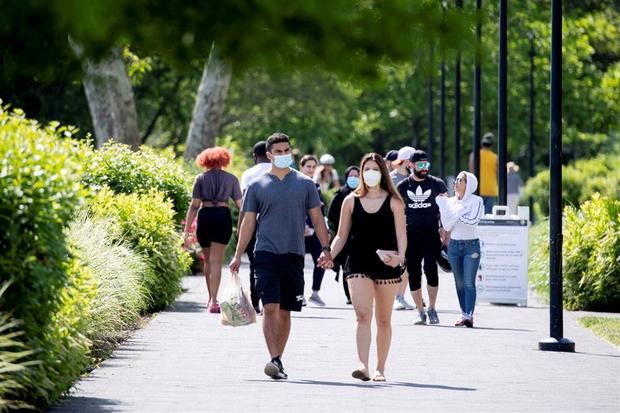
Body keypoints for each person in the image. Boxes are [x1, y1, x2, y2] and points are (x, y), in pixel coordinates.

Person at [229, 133, 332, 380]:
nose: (284, 154)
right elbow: (248, 223)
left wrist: (327, 249)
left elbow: (317, 219)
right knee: (270, 307)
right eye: (279, 151)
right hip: (265, 253)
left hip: (294, 255)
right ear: (269, 155)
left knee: (286, 311)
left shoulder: (305, 183)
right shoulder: (256, 185)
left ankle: (278, 359)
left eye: (287, 150)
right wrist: (237, 254)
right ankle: (273, 357)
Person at [320, 153, 407, 382]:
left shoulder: (394, 201)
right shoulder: (350, 200)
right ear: (360, 172)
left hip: (387, 263)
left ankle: (380, 368)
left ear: (383, 172)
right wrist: (328, 253)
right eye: (366, 169)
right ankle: (362, 365)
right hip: (357, 261)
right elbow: (340, 235)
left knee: (384, 319)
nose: (370, 173)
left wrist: (400, 257)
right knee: (362, 315)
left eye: (375, 169)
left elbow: (401, 234)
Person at [184, 147, 243, 313]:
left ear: (205, 160)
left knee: (207, 259)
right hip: (222, 216)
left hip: (206, 216)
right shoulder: (231, 179)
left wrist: (187, 230)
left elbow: (195, 205)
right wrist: (241, 226)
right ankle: (214, 301)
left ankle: (211, 298)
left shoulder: (200, 178)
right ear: (224, 160)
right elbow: (241, 206)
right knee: (217, 260)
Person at [397, 150, 448, 325]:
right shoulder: (403, 187)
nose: (424, 168)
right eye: (420, 165)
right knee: (414, 274)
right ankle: (420, 311)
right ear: (410, 165)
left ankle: (432, 308)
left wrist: (445, 234)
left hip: (432, 235)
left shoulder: (437, 184)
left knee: (431, 271)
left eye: (426, 164)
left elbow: (446, 212)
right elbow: (396, 213)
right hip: (411, 237)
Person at [435, 171, 484, 327]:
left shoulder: (476, 201)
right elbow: (447, 225)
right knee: (459, 283)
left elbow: (473, 221)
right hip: (454, 246)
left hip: (471, 246)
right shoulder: (451, 202)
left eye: (460, 180)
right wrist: (451, 211)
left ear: (468, 184)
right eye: (456, 179)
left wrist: (454, 214)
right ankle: (464, 315)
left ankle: (469, 315)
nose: (456, 182)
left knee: (469, 282)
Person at [239, 141, 272, 313]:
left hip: (253, 223)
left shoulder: (248, 174)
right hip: (273, 223)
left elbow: (245, 205)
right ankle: (271, 299)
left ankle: (255, 300)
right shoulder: (279, 172)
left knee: (254, 263)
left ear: (254, 156)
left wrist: (240, 229)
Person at [327, 165, 360, 304]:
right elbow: (331, 217)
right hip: (344, 238)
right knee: (346, 267)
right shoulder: (340, 195)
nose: (354, 178)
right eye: (351, 176)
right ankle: (349, 296)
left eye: (356, 176)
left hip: (361, 237)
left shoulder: (366, 193)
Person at [389, 146, 416, 311]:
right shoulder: (391, 179)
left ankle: (400, 296)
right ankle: (391, 295)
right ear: (407, 161)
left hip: (411, 224)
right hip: (393, 225)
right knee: (395, 260)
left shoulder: (416, 179)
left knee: (408, 261)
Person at [299, 154, 327, 306]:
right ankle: (299, 293)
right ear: (301, 167)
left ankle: (315, 292)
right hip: (299, 230)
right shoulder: (297, 184)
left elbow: (319, 209)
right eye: (307, 166)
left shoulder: (315, 185)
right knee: (299, 263)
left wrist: (324, 227)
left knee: (321, 259)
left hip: (315, 230)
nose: (310, 169)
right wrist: (302, 225)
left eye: (313, 167)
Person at [469, 132, 498, 214]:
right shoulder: (495, 157)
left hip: (477, 188)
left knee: (477, 214)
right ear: (492, 145)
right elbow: (498, 172)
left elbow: (471, 171)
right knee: (488, 216)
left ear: (482, 144)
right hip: (491, 189)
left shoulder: (474, 155)